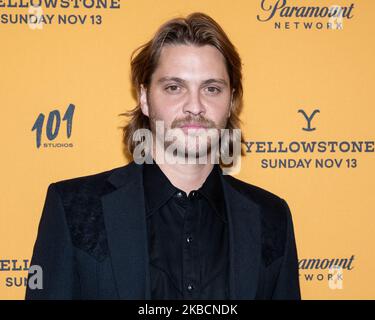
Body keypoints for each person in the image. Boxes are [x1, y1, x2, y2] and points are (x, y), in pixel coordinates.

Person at [25, 12, 301, 300]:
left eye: (211, 88)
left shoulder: (271, 217)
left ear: (231, 101)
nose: (195, 106)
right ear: (144, 97)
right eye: (174, 87)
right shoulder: (74, 209)